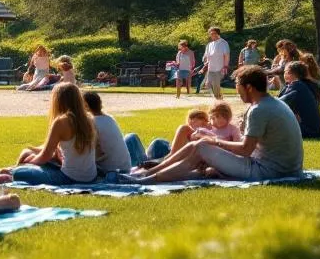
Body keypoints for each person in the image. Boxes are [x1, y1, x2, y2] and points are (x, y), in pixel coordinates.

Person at [127, 66, 303, 183]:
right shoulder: (275, 103)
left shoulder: (259, 109)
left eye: (237, 86)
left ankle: (148, 178)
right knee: (200, 146)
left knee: (203, 146)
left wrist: (215, 142)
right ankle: (152, 172)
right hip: (283, 168)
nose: (237, 90)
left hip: (269, 171)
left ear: (249, 87)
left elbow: (245, 150)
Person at [5, 83, 98, 185]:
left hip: (69, 178)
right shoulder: (89, 119)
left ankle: (16, 170)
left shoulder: (61, 122)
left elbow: (45, 156)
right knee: (32, 161)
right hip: (91, 177)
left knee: (17, 173)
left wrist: (26, 164)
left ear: (58, 101)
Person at [82, 91, 132, 176]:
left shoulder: (91, 123)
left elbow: (89, 154)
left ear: (86, 105)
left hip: (111, 171)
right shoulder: (109, 118)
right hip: (126, 168)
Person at [278, 61, 320, 139]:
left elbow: (278, 104)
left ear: (290, 73)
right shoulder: (305, 84)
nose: (284, 74)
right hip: (314, 131)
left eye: (285, 72)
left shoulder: (297, 85)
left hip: (308, 131)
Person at [200, 26, 230, 99]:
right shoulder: (209, 44)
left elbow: (227, 55)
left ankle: (218, 99)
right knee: (208, 85)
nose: (211, 35)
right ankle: (219, 97)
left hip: (219, 68)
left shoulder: (223, 43)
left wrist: (225, 66)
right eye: (210, 33)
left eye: (213, 33)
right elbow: (206, 55)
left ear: (217, 34)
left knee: (216, 84)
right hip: (211, 68)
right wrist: (205, 61)